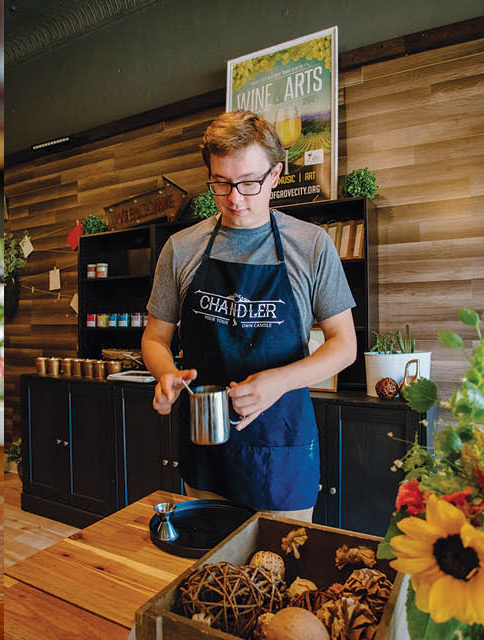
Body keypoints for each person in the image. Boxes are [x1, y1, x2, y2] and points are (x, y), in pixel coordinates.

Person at [141, 110, 357, 522]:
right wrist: (165, 373)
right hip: (206, 439)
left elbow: (344, 345)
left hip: (283, 444)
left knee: (280, 568)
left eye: (249, 183)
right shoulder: (182, 248)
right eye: (221, 184)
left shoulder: (311, 245)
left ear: (276, 175)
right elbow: (155, 338)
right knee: (209, 568)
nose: (235, 198)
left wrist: (279, 381)